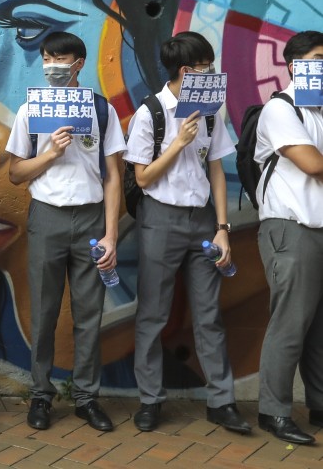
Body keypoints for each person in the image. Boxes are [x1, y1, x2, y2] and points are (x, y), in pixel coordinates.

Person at [123, 31, 249, 434]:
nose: (212, 72)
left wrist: (223, 228)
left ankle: (222, 401)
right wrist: (177, 144)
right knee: (153, 314)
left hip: (202, 220)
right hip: (160, 219)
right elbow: (142, 178)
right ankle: (150, 401)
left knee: (209, 314)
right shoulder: (150, 112)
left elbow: (215, 168)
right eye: (206, 66)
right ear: (187, 71)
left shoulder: (211, 111)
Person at [5, 32, 124, 432]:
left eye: (62, 60)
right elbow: (16, 173)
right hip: (47, 217)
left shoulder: (100, 110)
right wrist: (50, 153)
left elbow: (113, 177)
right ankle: (40, 394)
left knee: (90, 313)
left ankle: (87, 397)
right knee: (43, 311)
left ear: (79, 63)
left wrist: (111, 234)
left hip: (91, 219)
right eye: (47, 59)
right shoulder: (29, 111)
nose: (53, 66)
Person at [254, 30, 323, 445]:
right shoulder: (280, 108)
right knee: (291, 324)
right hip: (290, 231)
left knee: (320, 328)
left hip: (320, 229)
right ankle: (273, 411)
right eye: (319, 58)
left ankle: (319, 403)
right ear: (296, 65)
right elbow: (312, 163)